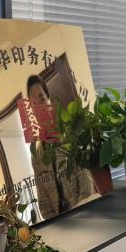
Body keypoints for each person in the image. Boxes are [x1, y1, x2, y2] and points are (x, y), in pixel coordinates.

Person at [26, 75, 92, 219]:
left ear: (49, 99)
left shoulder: (70, 135)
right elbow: (43, 202)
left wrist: (77, 218)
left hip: (83, 215)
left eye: (42, 99)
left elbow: (86, 185)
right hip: (59, 224)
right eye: (34, 104)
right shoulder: (36, 154)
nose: (40, 107)